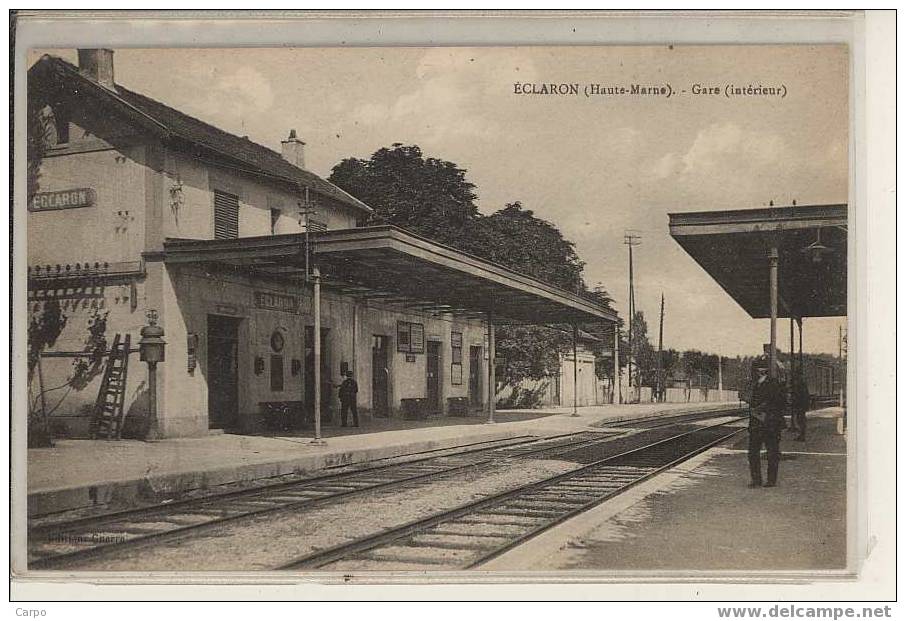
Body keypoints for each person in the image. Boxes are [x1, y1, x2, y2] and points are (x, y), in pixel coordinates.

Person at [746, 359, 785, 488]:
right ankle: (756, 480)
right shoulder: (754, 384)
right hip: (756, 424)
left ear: (766, 370)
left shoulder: (773, 384)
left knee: (772, 452)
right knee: (752, 453)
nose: (759, 371)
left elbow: (779, 402)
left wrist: (762, 409)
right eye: (757, 369)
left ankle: (771, 480)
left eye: (762, 369)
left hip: (771, 424)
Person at [791, 370, 810, 442]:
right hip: (801, 405)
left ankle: (802, 435)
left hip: (801, 405)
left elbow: (802, 396)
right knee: (800, 420)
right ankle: (801, 435)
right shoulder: (801, 384)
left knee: (800, 420)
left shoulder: (800, 384)